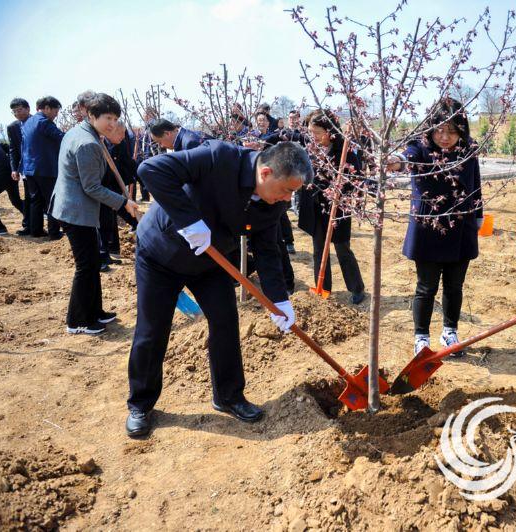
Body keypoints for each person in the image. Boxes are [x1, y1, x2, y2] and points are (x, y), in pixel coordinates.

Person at [125, 140, 313, 438]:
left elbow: (267, 250)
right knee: (153, 329)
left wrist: (279, 300)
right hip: (162, 253)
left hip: (211, 262)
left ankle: (228, 396)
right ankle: (141, 404)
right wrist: (190, 222)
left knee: (225, 321)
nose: (288, 199)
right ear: (265, 173)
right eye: (286, 190)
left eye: (293, 193)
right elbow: (151, 169)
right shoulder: (219, 158)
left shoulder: (274, 202)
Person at [390, 98, 483, 358]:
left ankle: (450, 332)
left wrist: (478, 215)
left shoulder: (468, 150)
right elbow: (406, 158)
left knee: (455, 286)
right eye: (439, 130)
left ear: (462, 130)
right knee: (426, 286)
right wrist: (395, 160)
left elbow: (475, 184)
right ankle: (421, 337)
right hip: (428, 227)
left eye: (452, 131)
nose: (444, 137)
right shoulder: (420, 147)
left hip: (461, 225)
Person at [50, 93, 140, 335]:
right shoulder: (87, 143)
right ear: (91, 115)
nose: (112, 123)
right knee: (87, 266)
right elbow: (91, 187)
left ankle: (95, 311)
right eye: (107, 118)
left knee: (92, 263)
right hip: (75, 211)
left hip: (74, 206)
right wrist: (123, 203)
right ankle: (78, 320)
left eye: (115, 118)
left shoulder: (83, 133)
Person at [298, 109, 366, 305]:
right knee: (319, 249)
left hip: (338, 207)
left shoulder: (344, 151)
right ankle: (323, 288)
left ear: (330, 131)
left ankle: (356, 288)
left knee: (342, 248)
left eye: (317, 132)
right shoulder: (311, 150)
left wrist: (340, 191)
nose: (313, 136)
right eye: (311, 132)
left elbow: (356, 178)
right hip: (315, 207)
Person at [21, 95, 64, 240]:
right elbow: (61, 138)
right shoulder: (44, 122)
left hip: (30, 168)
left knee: (36, 200)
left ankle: (36, 230)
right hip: (45, 168)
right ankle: (54, 232)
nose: (56, 115)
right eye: (55, 111)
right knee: (52, 200)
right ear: (47, 108)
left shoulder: (28, 122)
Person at [98, 121, 138, 271]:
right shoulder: (99, 144)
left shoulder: (120, 144)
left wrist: (143, 176)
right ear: (111, 132)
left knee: (109, 220)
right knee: (102, 222)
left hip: (113, 187)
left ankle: (107, 253)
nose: (123, 137)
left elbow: (129, 163)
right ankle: (101, 256)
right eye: (121, 133)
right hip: (101, 189)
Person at [7, 98, 31, 235]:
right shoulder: (12, 127)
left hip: (42, 167)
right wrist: (14, 169)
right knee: (28, 197)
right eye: (14, 111)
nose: (17, 114)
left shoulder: (38, 122)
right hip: (26, 168)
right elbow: (13, 149)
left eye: (20, 110)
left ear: (28, 109)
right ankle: (28, 226)